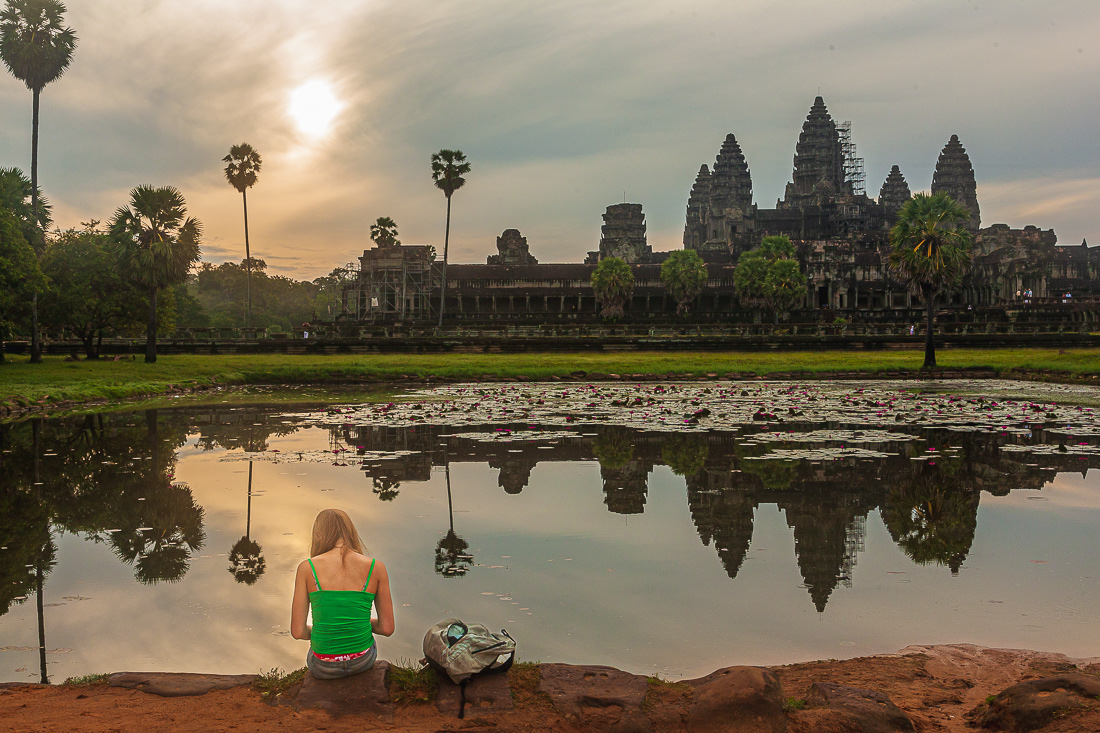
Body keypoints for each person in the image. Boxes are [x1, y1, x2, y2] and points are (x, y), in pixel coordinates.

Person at [291, 509, 395, 679]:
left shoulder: (306, 568)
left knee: (315, 654)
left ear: (318, 534)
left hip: (323, 666)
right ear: (350, 531)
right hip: (362, 661)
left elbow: (298, 632)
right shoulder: (376, 567)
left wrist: (327, 629)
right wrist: (355, 623)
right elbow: (387, 628)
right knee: (367, 647)